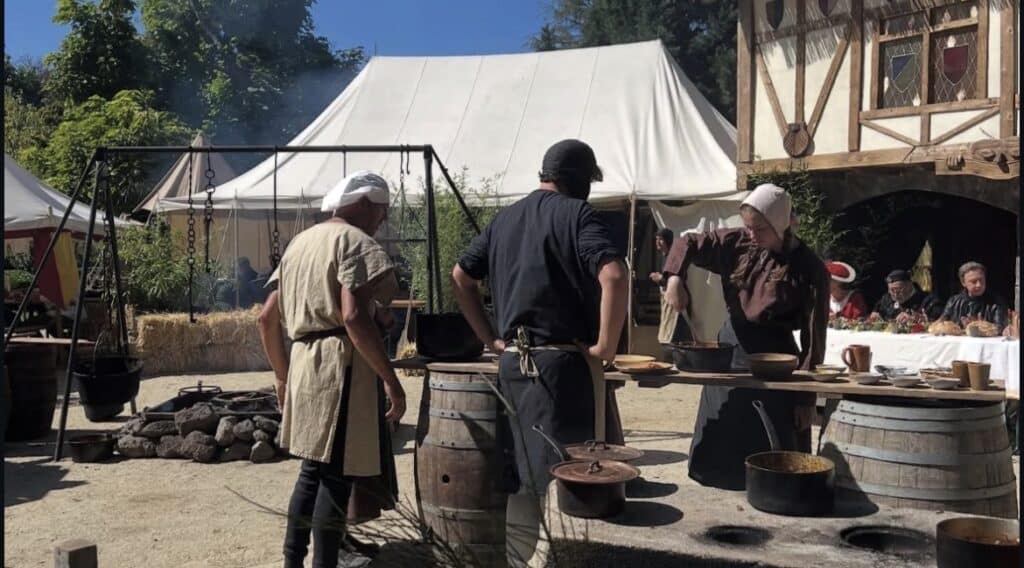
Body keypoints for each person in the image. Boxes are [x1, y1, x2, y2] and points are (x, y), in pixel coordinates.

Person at [451, 139, 628, 567]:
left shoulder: (504, 219)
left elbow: (460, 277)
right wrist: (604, 346)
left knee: (524, 479)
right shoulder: (578, 214)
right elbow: (615, 274)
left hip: (513, 365)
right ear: (581, 181)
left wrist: (493, 340)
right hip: (561, 371)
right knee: (572, 476)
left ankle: (519, 561)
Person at [258, 171, 406, 568]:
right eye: (381, 212)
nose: (382, 221)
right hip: (339, 369)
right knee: (336, 479)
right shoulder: (354, 241)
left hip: (306, 363)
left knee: (312, 473)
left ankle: (293, 562)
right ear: (364, 205)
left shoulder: (298, 244)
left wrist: (281, 374)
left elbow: (267, 318)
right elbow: (353, 317)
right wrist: (393, 383)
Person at [662, 183, 828, 490]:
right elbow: (686, 242)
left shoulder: (809, 267)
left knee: (772, 463)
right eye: (748, 227)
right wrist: (674, 278)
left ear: (780, 224)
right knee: (720, 457)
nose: (751, 234)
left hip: (778, 362)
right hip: (731, 352)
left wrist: (806, 396)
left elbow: (813, 339)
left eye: (759, 229)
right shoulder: (736, 243)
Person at [649, 228, 693, 355]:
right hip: (668, 302)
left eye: (661, 239)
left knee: (676, 334)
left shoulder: (673, 257)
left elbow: (676, 277)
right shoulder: (664, 257)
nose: (657, 242)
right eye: (656, 239)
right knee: (669, 332)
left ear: (668, 241)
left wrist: (660, 278)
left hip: (677, 301)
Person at [940, 261, 1008, 329]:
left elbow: (1000, 327)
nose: (979, 285)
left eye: (981, 280)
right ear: (963, 283)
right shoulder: (953, 302)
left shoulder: (996, 302)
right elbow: (941, 323)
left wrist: (980, 327)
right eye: (973, 281)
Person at [871, 269, 943, 322]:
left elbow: (942, 320)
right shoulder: (886, 299)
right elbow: (877, 313)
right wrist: (876, 317)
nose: (895, 294)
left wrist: (919, 319)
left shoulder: (929, 300)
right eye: (891, 290)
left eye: (899, 289)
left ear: (909, 285)